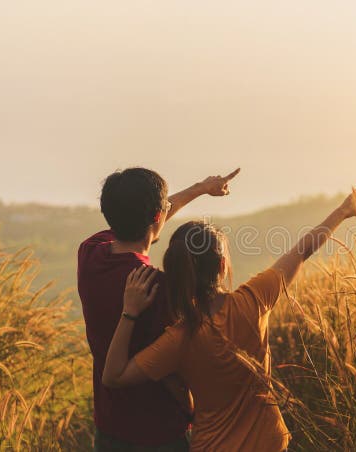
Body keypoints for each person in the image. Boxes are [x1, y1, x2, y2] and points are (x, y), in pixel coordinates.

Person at [101, 182, 356, 451]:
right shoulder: (252, 300)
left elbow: (113, 377)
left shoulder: (177, 338)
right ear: (221, 265)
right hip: (268, 443)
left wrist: (129, 313)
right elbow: (302, 250)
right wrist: (343, 212)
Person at [77, 166, 240, 451]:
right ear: (156, 216)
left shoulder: (90, 253)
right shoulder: (159, 288)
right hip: (160, 432)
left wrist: (200, 187)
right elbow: (172, 373)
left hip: (109, 427)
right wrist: (193, 411)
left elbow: (144, 220)